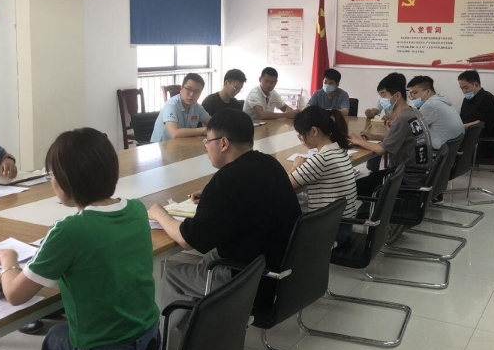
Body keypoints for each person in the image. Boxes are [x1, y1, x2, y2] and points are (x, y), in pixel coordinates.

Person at [0, 128, 161, 350]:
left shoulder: (69, 230)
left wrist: (7, 258)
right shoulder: (137, 209)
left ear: (65, 181)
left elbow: (15, 294)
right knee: (56, 338)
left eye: (52, 174)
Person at [148, 110, 301, 321]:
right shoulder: (270, 164)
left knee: (172, 275)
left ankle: (171, 337)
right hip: (283, 270)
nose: (206, 148)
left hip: (253, 280)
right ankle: (204, 324)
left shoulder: (224, 182)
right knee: (210, 258)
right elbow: (250, 196)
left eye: (207, 141)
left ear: (223, 143)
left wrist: (159, 213)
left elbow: (187, 240)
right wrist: (212, 198)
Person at [350, 72, 431, 195]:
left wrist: (358, 141)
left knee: (354, 188)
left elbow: (381, 150)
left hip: (404, 178)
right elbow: (402, 139)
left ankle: (374, 205)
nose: (381, 100)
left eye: (383, 95)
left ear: (397, 95)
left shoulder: (402, 119)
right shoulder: (414, 112)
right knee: (368, 180)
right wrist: (374, 136)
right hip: (418, 175)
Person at [289, 106, 357, 246]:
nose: (301, 139)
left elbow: (283, 186)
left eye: (301, 134)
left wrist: (295, 166)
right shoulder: (340, 150)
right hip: (344, 226)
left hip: (332, 233)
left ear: (314, 131)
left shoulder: (322, 159)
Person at [407, 75, 465, 150]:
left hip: (440, 151)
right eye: (410, 94)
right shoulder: (441, 100)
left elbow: (411, 129)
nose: (412, 97)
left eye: (414, 93)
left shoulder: (430, 105)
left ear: (427, 92)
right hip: (452, 149)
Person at [150, 73, 211, 142]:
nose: (191, 94)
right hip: (160, 146)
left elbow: (213, 124)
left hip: (181, 145)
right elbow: (175, 133)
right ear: (181, 88)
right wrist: (204, 130)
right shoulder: (171, 105)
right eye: (188, 89)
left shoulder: (196, 107)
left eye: (196, 91)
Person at [458, 69, 494, 159]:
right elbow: (462, 118)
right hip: (467, 136)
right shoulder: (466, 100)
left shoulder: (488, 99)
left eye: (466, 88)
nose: (464, 91)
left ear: (476, 85)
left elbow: (484, 123)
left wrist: (464, 126)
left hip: (481, 140)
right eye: (461, 88)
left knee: (450, 147)